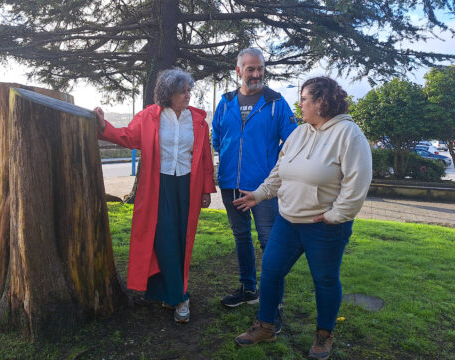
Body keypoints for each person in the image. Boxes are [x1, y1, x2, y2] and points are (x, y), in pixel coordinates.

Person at [233, 76, 372, 359]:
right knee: (271, 271)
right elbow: (279, 171)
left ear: (321, 102)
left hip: (324, 226)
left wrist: (336, 216)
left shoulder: (349, 134)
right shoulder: (300, 132)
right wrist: (259, 195)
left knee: (325, 280)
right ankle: (266, 327)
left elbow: (357, 185)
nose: (300, 104)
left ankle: (323, 335)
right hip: (288, 220)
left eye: (304, 99)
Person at [94, 68, 216, 323]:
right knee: (163, 238)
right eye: (182, 91)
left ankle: (171, 292)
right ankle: (179, 297)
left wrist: (206, 189)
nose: (188, 95)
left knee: (183, 239)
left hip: (188, 186)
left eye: (189, 90)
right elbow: (127, 136)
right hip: (158, 186)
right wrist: (104, 127)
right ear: (168, 93)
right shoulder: (150, 116)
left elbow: (204, 156)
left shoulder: (198, 120)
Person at [212, 47, 297, 329]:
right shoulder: (225, 102)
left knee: (268, 242)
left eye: (260, 68)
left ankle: (275, 304)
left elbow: (294, 143)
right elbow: (218, 139)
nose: (257, 74)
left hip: (263, 189)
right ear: (238, 71)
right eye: (250, 69)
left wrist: (277, 174)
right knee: (241, 238)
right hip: (230, 185)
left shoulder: (276, 103)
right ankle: (249, 290)